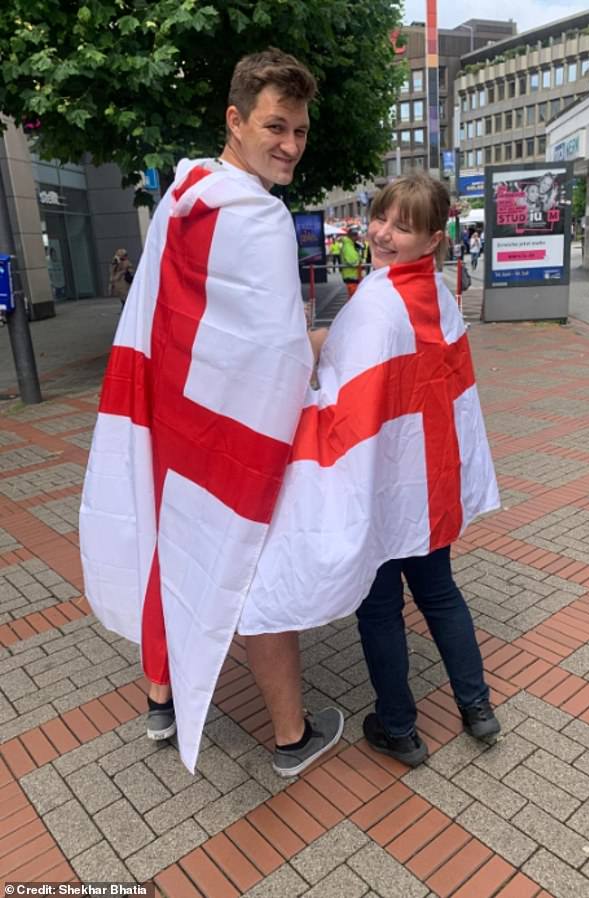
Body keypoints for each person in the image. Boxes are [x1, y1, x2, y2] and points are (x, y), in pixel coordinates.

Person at [80, 48, 343, 777]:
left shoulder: (183, 193)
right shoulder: (258, 218)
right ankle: (291, 737)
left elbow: (165, 312)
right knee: (250, 557)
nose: (290, 144)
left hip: (171, 414)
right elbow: (277, 355)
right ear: (236, 120)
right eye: (275, 126)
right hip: (229, 426)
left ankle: (161, 701)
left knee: (175, 544)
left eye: (299, 130)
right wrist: (320, 342)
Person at [239, 173, 500, 767]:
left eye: (401, 227)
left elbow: (340, 398)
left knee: (380, 606)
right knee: (440, 593)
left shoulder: (377, 300)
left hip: (382, 483)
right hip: (429, 482)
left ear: (432, 238)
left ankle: (399, 728)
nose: (382, 233)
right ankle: (476, 706)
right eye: (381, 218)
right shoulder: (440, 296)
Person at [339, 227, 362, 295]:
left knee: (353, 298)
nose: (358, 237)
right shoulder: (348, 246)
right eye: (357, 235)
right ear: (353, 236)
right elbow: (353, 261)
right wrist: (360, 260)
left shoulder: (349, 245)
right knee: (354, 299)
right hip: (352, 276)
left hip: (351, 276)